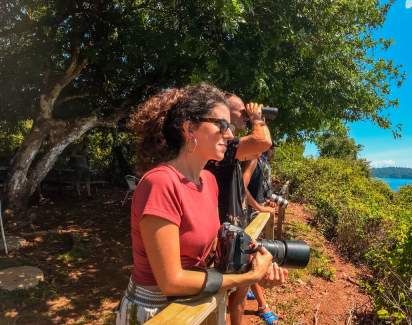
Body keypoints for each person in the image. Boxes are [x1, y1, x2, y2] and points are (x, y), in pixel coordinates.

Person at [116, 83, 286, 324]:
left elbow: (212, 249)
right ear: (189, 128)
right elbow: (171, 280)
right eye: (222, 125)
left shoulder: (208, 180)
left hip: (195, 306)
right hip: (157, 313)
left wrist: (254, 264)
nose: (230, 134)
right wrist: (243, 279)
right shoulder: (161, 183)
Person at [205, 93, 273, 325]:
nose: (246, 114)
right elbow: (262, 142)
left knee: (240, 292)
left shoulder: (227, 148)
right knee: (220, 299)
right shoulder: (219, 148)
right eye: (241, 111)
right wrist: (257, 118)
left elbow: (258, 149)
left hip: (236, 227)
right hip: (222, 234)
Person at [241, 149, 279, 324]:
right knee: (253, 257)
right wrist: (260, 207)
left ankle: (247, 288)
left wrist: (265, 202)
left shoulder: (263, 160)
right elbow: (241, 188)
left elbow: (259, 188)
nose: (272, 149)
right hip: (245, 215)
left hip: (254, 214)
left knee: (250, 256)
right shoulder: (252, 157)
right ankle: (263, 306)